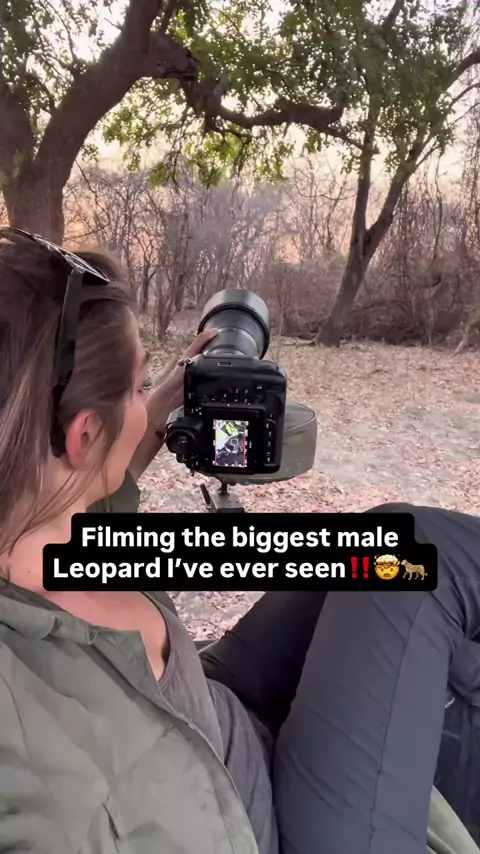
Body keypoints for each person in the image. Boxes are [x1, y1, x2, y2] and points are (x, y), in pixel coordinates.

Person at [0, 228, 478, 854]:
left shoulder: (45, 522)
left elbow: (91, 485)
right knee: (422, 560)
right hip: (259, 825)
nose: (148, 401)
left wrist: (166, 396)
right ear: (85, 435)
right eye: (138, 387)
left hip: (208, 706)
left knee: (380, 546)